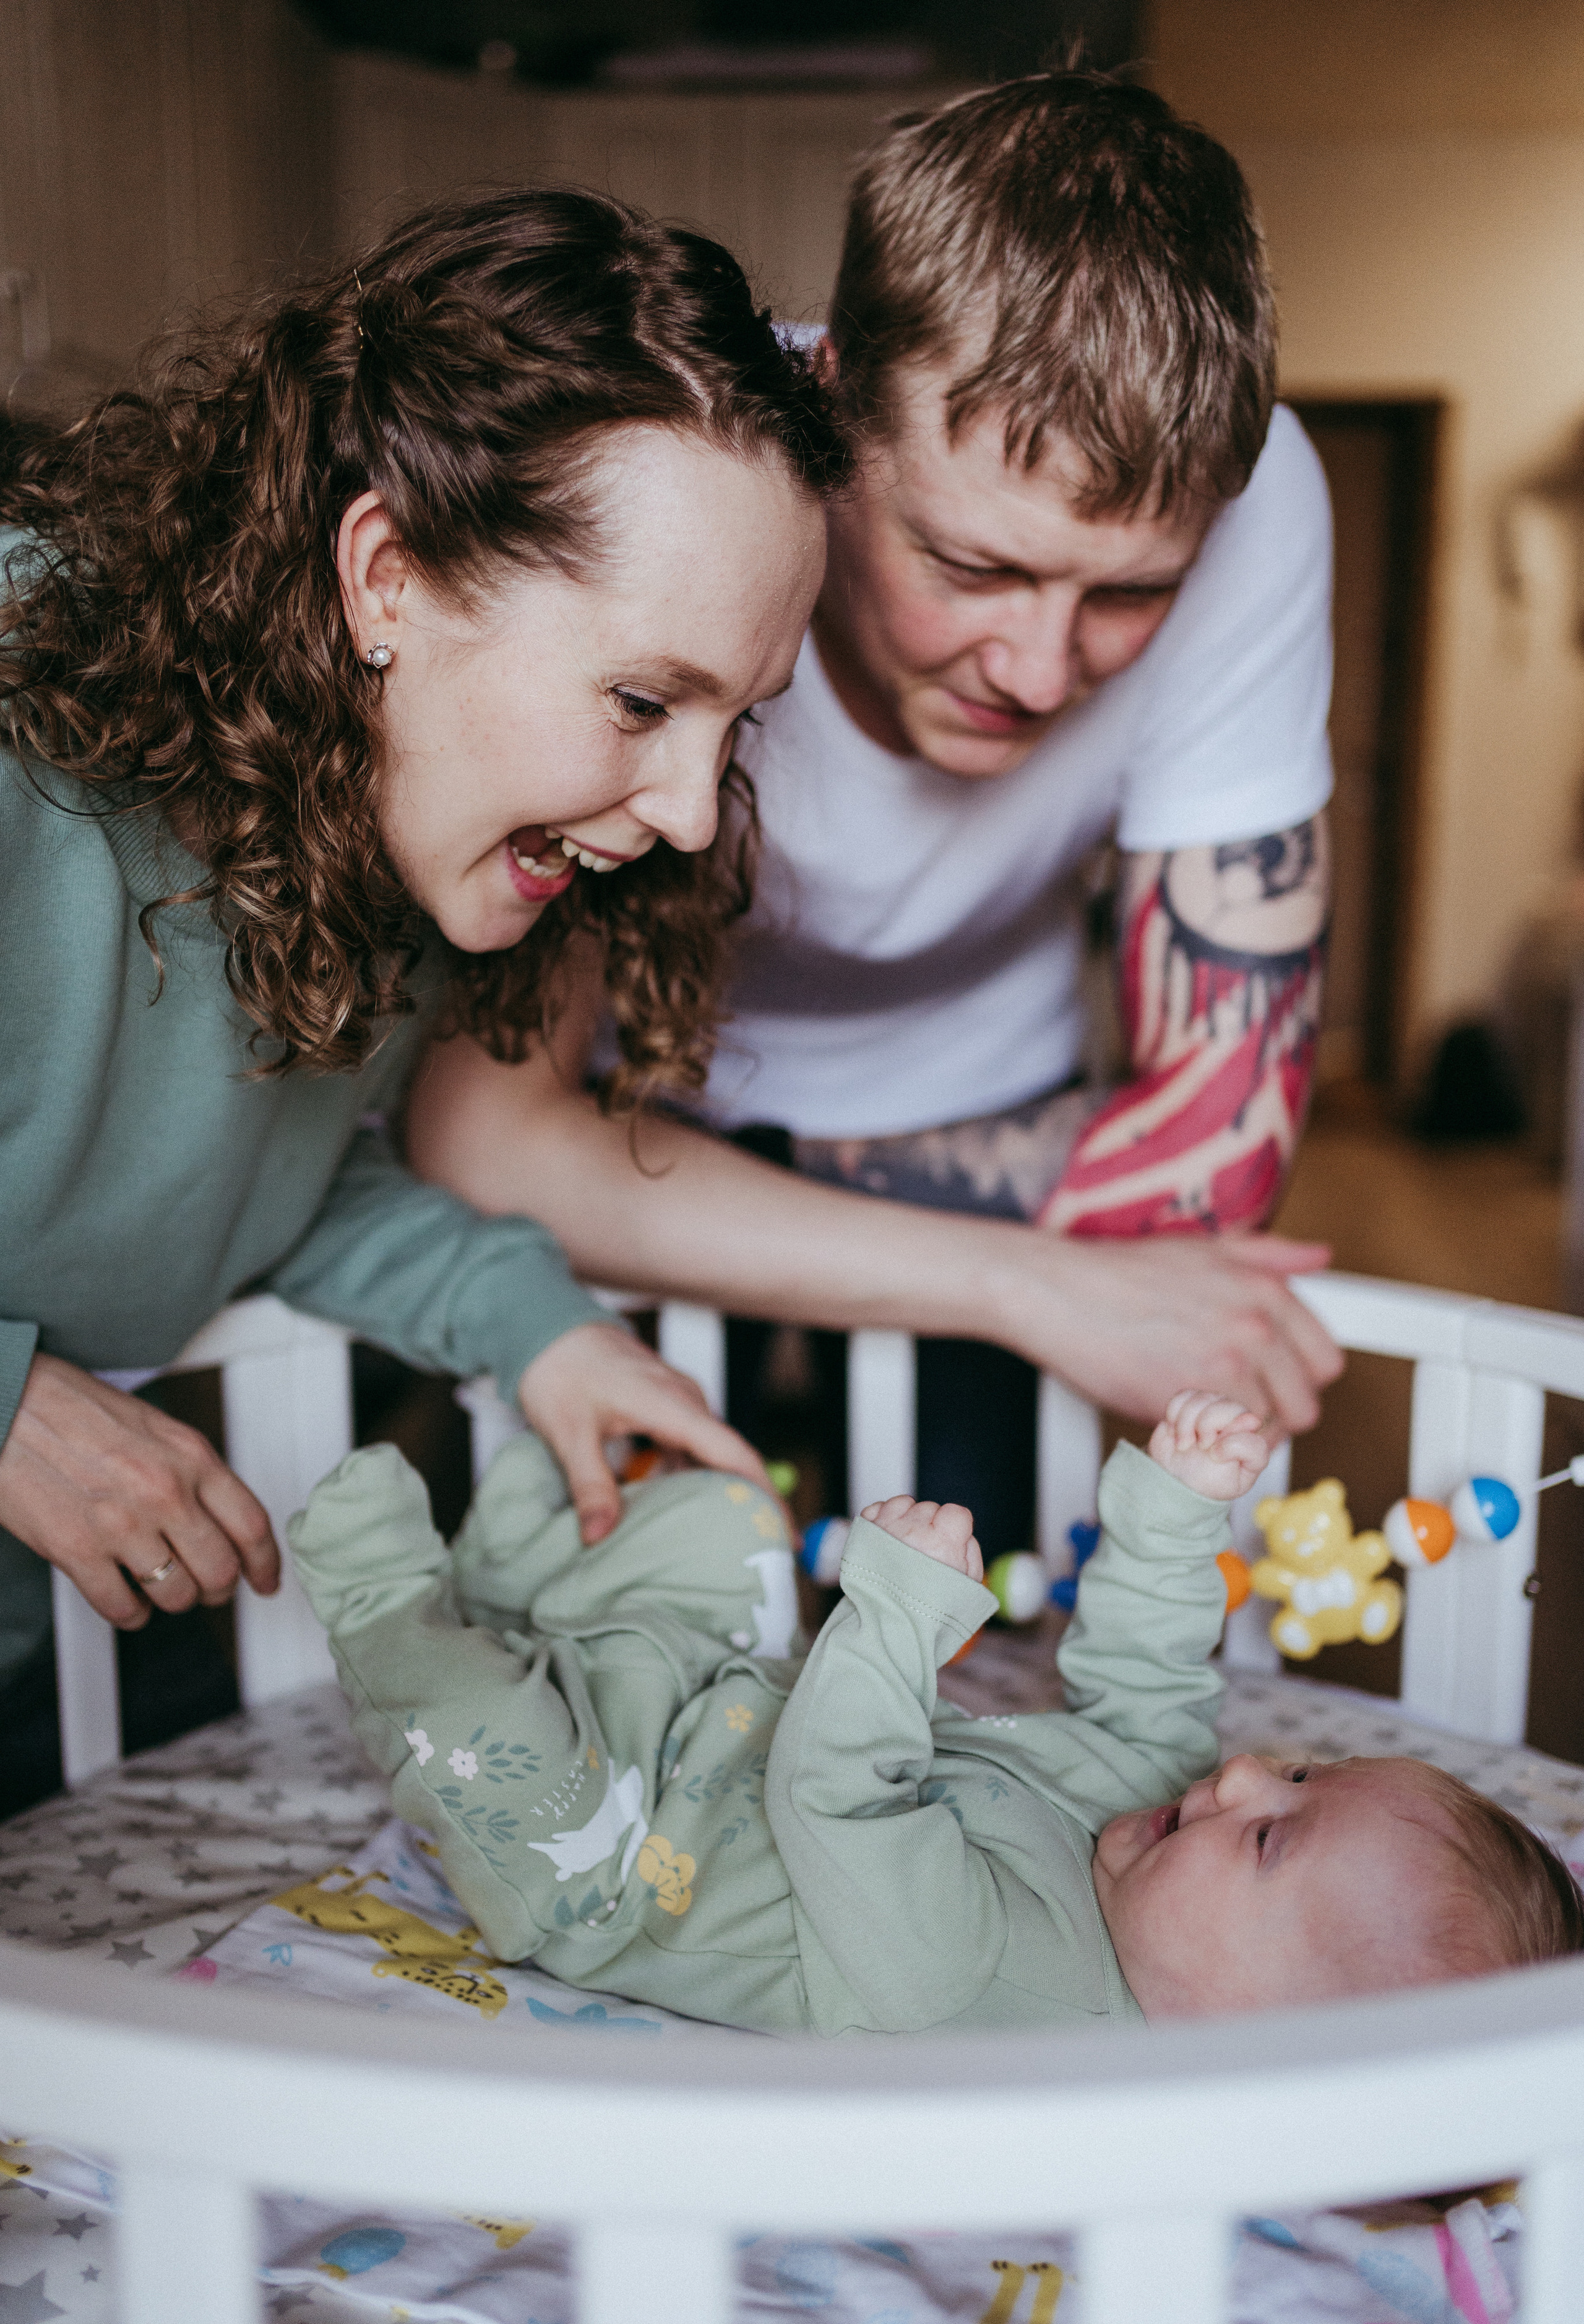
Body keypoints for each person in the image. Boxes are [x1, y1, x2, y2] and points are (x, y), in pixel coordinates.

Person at [407, 68, 1345, 1557]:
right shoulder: (693, 492)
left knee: (967, 1645)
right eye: (971, 568)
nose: (1041, 671)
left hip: (921, 1085)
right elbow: (488, 1143)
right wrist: (1003, 1267)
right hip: (671, 1079)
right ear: (831, 398)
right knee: (585, 1605)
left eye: (1129, 594)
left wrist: (742, 1194)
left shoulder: (1261, 505)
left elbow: (1221, 1140)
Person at [0, 187, 849, 1809]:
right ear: (386, 575)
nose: (685, 811)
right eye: (639, 697)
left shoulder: (379, 844)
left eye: (732, 725)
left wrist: (545, 1334)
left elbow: (236, 1190)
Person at [290, 1392, 1583, 2036]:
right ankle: (533, 1596)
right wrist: (1175, 1511)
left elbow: (835, 1798)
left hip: (618, 1856)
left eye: (1270, 1838)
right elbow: (1146, 1673)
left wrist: (902, 1612)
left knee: (480, 1742)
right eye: (1306, 1770)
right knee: (734, 1524)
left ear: (1247, 2034)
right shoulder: (1158, 1832)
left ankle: (390, 1600)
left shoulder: (996, 1989)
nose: (1245, 1775)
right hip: (724, 1703)